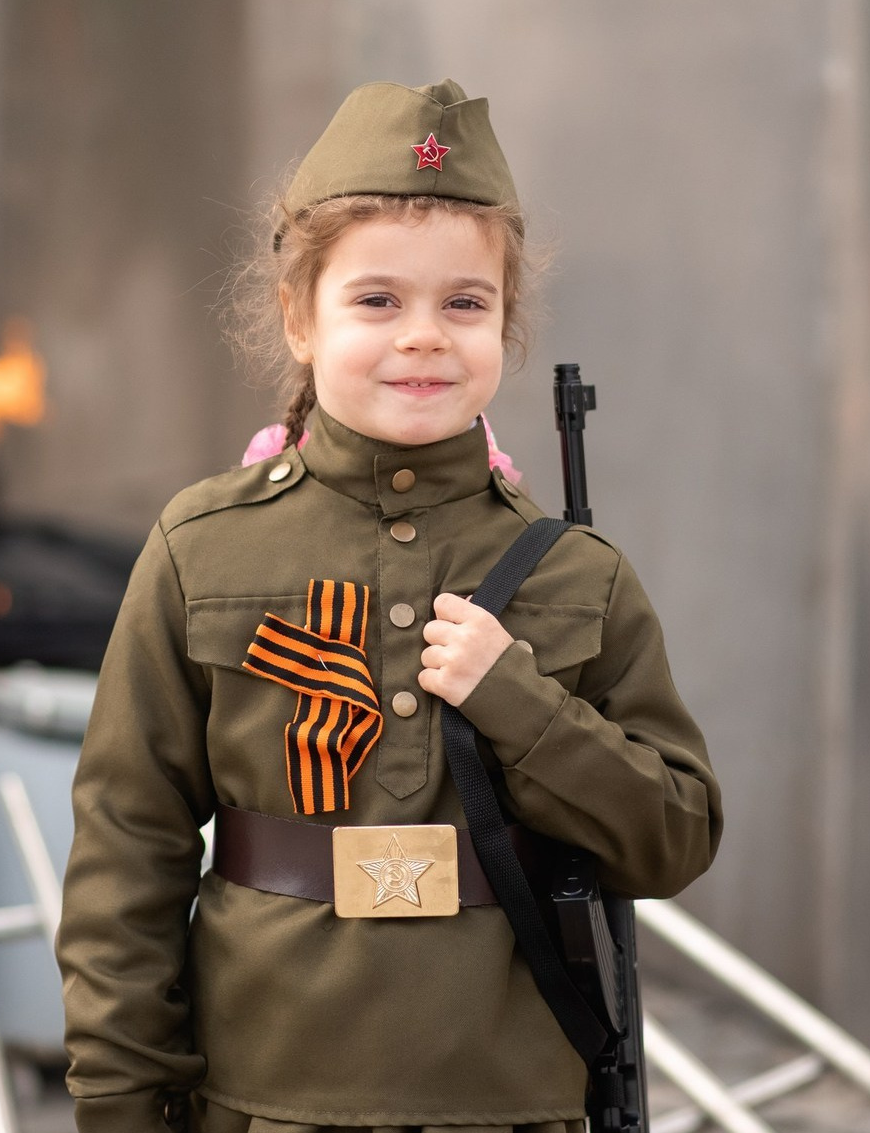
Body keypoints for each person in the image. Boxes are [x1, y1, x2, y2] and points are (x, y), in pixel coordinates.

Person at [55, 78, 722, 1133]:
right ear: (299, 318)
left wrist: (522, 705)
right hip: (264, 1096)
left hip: (509, 1104)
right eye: (376, 300)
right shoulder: (202, 545)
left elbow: (673, 839)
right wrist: (121, 1100)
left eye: (464, 303)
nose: (423, 336)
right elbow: (125, 849)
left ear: (506, 326)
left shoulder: (576, 574)